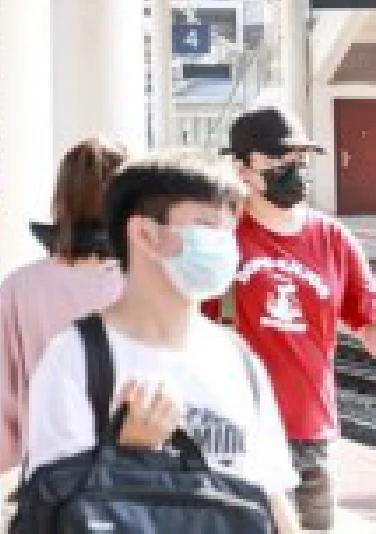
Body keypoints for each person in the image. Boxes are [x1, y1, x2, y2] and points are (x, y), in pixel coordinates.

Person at [22, 155, 298, 532]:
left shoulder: (238, 360)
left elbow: (271, 495)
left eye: (228, 229)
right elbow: (52, 508)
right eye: (206, 225)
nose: (225, 245)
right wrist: (129, 453)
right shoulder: (76, 358)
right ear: (145, 234)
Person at [218, 106, 376, 529]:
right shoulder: (218, 239)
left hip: (311, 435)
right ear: (242, 169)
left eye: (300, 159)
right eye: (278, 158)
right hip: (237, 435)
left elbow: (369, 323)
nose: (294, 169)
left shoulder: (333, 239)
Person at [0, 137, 127, 479]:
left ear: (61, 199)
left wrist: (2, 454)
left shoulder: (20, 288)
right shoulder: (147, 285)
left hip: (51, 472)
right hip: (140, 473)